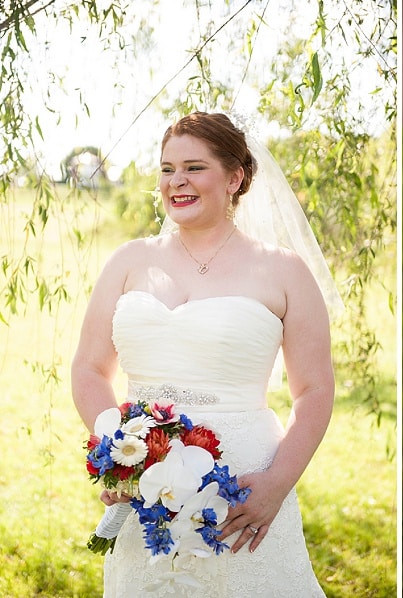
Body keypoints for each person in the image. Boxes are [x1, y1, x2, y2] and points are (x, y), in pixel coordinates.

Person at [71, 112, 335, 596]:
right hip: (146, 485)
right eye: (167, 168)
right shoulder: (129, 260)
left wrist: (276, 484)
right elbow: (89, 368)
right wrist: (118, 452)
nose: (177, 182)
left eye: (194, 167)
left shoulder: (283, 271)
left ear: (235, 177)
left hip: (244, 486)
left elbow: (315, 390)